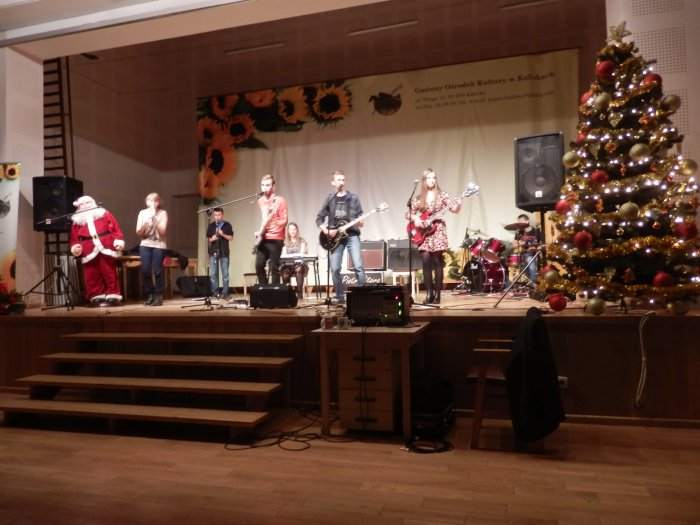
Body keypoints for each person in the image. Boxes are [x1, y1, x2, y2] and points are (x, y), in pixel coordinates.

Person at [410, 169, 461, 304]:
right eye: (429, 178)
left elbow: (454, 210)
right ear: (424, 181)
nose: (432, 180)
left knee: (437, 261)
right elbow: (408, 213)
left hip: (437, 230)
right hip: (424, 232)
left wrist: (459, 203)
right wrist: (416, 219)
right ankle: (429, 294)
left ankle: (438, 295)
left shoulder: (442, 195)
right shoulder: (419, 198)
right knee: (426, 261)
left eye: (434, 178)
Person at [316, 170, 366, 304]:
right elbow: (319, 218)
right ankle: (339, 296)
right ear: (333, 182)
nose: (341, 182)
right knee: (335, 268)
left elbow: (361, 217)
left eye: (343, 179)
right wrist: (326, 230)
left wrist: (361, 222)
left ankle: (363, 295)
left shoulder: (353, 198)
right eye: (338, 180)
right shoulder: (330, 199)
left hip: (352, 235)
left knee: (358, 265)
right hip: (336, 238)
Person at [69, 195, 125, 305]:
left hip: (105, 245)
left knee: (109, 271)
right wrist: (75, 246)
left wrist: (118, 240)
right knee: (91, 273)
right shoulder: (77, 220)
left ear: (93, 203)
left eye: (88, 203)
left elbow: (115, 228)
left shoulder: (104, 214)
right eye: (82, 204)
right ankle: (96, 295)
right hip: (88, 248)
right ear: (78, 207)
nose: (85, 206)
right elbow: (74, 237)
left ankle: (113, 294)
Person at [254, 174, 288, 285]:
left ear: (273, 186)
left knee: (274, 267)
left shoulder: (280, 200)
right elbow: (264, 219)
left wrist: (275, 223)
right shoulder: (261, 200)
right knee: (259, 265)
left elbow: (284, 220)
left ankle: (275, 291)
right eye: (263, 185)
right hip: (264, 237)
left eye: (267, 185)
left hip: (276, 238)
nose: (265, 188)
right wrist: (260, 231)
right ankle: (264, 290)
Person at [136, 192, 168, 306]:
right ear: (146, 202)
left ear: (158, 202)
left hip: (159, 245)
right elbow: (139, 232)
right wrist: (146, 224)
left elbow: (163, 232)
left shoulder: (163, 213)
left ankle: (159, 295)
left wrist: (154, 218)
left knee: (158, 270)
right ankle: (150, 294)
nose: (152, 203)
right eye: (150, 200)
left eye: (155, 200)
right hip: (145, 244)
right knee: (145, 270)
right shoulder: (142, 213)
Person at [206, 207, 234, 298]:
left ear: (222, 215)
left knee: (225, 274)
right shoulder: (211, 226)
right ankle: (215, 292)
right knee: (213, 274)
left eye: (218, 215)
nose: (217, 217)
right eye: (215, 215)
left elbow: (231, 238)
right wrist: (213, 238)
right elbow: (209, 239)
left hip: (224, 252)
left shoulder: (227, 225)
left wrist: (222, 234)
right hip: (213, 252)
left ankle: (225, 293)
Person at [280, 222, 309, 300]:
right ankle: (287, 294)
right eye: (290, 229)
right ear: (288, 231)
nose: (292, 231)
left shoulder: (302, 241)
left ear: (297, 230)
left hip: (299, 264)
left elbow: (302, 254)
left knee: (299, 269)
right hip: (288, 265)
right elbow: (284, 255)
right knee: (285, 272)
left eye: (294, 229)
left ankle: (300, 294)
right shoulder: (285, 241)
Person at [513, 213, 542, 284]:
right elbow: (514, 245)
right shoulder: (519, 232)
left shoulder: (536, 231)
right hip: (521, 254)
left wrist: (537, 248)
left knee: (529, 258)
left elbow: (541, 244)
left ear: (527, 221)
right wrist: (519, 243)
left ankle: (533, 283)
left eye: (521, 221)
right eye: (518, 222)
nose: (519, 223)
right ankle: (524, 284)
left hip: (533, 254)